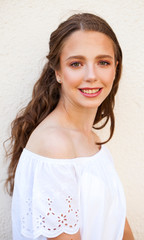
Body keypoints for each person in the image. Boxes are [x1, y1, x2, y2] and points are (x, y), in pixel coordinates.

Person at [5, 13, 134, 240]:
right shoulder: (55, 146)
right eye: (76, 64)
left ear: (115, 67)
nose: (92, 76)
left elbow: (118, 225)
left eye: (103, 62)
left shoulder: (92, 138)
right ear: (58, 72)